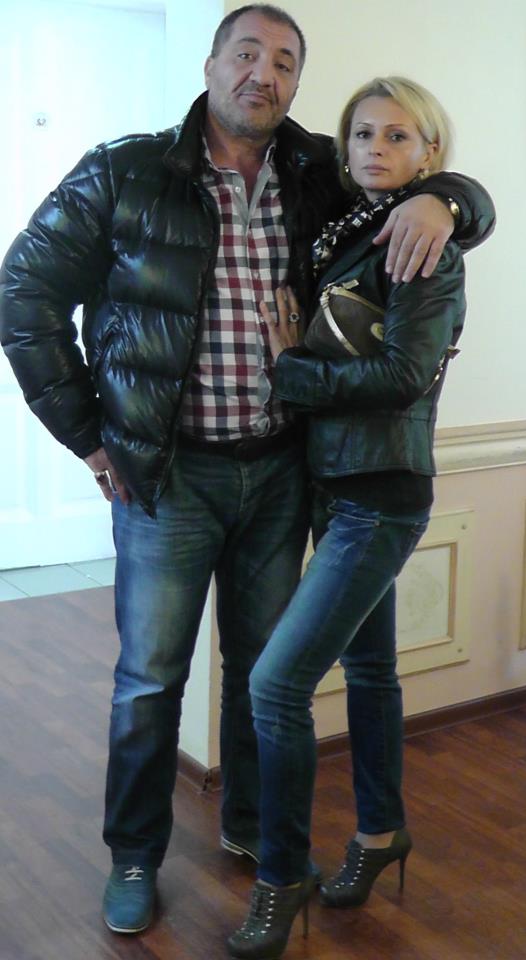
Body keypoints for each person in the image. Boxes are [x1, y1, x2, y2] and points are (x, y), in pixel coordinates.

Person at [0, 3, 494, 938]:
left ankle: (253, 827)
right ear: (211, 63)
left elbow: (418, 176)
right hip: (167, 480)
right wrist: (89, 435)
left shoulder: (320, 173)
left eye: (284, 61)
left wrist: (452, 200)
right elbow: (22, 293)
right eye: (246, 53)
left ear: (297, 82)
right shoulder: (126, 170)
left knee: (260, 671)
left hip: (279, 473)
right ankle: (134, 856)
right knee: (150, 680)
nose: (262, 73)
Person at [228, 75, 490, 960]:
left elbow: (403, 378)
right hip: (332, 484)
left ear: (430, 152)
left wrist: (291, 371)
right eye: (362, 134)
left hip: (378, 496)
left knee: (275, 686)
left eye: (397, 136)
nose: (375, 149)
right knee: (372, 674)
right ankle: (381, 833)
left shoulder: (424, 245)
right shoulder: (350, 232)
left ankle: (281, 876)